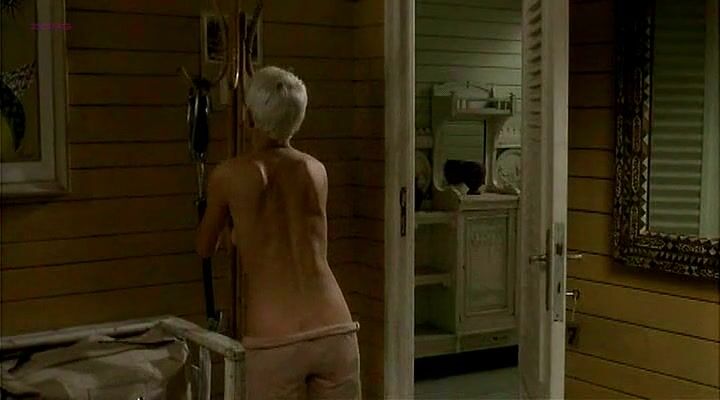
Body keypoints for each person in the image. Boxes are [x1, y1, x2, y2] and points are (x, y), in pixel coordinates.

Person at [195, 66, 361, 399]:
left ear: (249, 117)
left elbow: (204, 247)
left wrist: (233, 232)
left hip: (276, 337)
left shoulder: (229, 175)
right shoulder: (316, 171)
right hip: (334, 328)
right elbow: (298, 233)